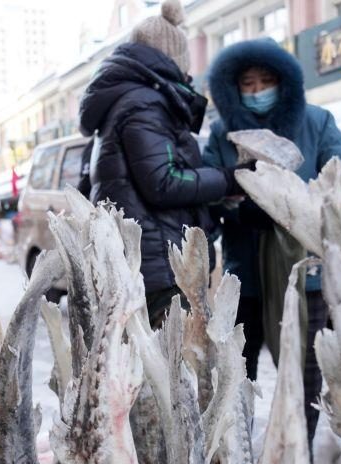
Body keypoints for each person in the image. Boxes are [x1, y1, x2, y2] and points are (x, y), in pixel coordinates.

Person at [203, 38, 341, 447]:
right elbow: (206, 194)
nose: (257, 91)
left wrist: (290, 203)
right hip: (244, 276)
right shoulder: (222, 133)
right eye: (248, 83)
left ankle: (297, 463)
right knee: (236, 377)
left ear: (285, 82)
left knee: (303, 381)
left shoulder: (317, 122)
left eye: (266, 80)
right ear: (232, 88)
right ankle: (236, 463)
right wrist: (235, 210)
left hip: (305, 276)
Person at [78, 0, 249, 326]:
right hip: (162, 270)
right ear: (172, 59)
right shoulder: (144, 104)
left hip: (146, 265)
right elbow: (163, 182)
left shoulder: (123, 102)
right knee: (176, 370)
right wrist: (230, 179)